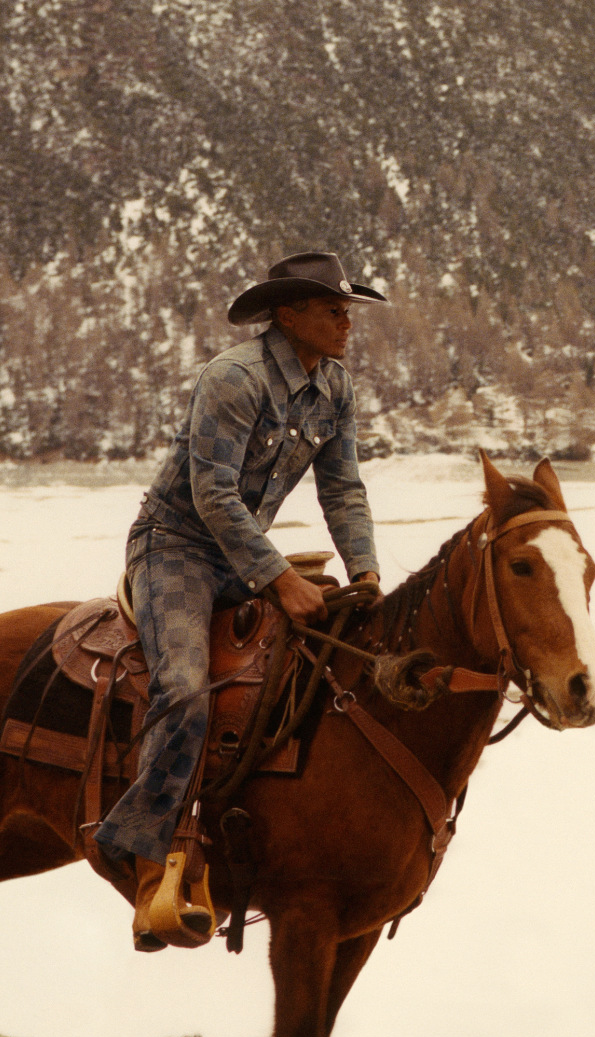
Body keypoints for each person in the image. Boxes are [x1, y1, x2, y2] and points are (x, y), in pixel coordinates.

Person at [95, 251, 387, 950]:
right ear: (288, 315)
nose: (347, 321)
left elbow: (342, 488)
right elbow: (212, 495)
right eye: (332, 309)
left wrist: (367, 572)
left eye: (349, 309)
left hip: (244, 550)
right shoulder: (234, 378)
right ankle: (140, 851)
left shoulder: (335, 388)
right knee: (185, 686)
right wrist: (279, 577)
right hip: (178, 545)